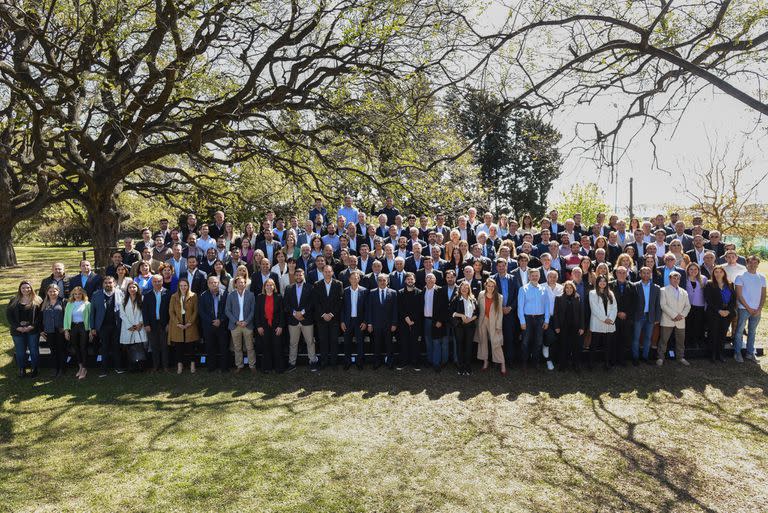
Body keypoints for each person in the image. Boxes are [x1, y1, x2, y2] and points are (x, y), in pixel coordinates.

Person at [7, 280, 43, 378]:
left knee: (34, 350)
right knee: (20, 351)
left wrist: (32, 326)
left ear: (31, 288)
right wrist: (17, 327)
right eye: (23, 288)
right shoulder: (14, 300)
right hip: (17, 331)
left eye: (28, 287)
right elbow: (9, 316)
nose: (26, 289)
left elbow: (40, 316)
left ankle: (34, 368)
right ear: (20, 289)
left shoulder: (38, 300)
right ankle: (22, 368)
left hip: (33, 330)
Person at [733, 255, 766, 363]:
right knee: (739, 331)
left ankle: (750, 353)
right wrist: (748, 308)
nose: (753, 265)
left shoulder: (762, 277)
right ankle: (737, 353)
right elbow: (739, 295)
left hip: (756, 310)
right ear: (746, 264)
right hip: (744, 308)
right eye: (750, 263)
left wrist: (759, 308)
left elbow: (763, 294)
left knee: (752, 331)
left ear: (757, 264)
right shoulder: (740, 276)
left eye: (755, 263)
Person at [91, 276, 124, 377]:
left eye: (110, 282)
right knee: (104, 348)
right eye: (105, 283)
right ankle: (104, 370)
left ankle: (118, 367)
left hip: (116, 325)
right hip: (102, 326)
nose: (108, 284)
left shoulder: (120, 293)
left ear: (114, 283)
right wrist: (92, 327)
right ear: (102, 284)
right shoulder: (96, 295)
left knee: (116, 347)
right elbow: (93, 312)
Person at [312, 265, 343, 369]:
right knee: (323, 340)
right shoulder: (317, 284)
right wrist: (323, 314)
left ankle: (334, 363)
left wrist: (331, 314)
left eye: (329, 271)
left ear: (332, 272)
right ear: (323, 273)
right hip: (321, 318)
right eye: (325, 271)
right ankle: (324, 362)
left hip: (334, 318)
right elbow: (316, 302)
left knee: (334, 340)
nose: (327, 273)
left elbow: (340, 301)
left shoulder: (338, 284)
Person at [703, 266, 737, 363]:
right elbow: (708, 299)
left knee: (722, 334)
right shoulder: (709, 284)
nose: (718, 274)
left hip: (727, 313)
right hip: (714, 313)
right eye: (716, 272)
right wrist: (719, 310)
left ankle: (720, 354)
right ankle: (712, 355)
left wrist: (729, 311)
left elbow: (733, 300)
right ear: (713, 274)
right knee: (713, 333)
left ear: (724, 273)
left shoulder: (730, 284)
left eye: (720, 272)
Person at [517, 268, 549, 370]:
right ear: (529, 277)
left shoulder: (544, 289)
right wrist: (522, 321)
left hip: (540, 318)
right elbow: (520, 307)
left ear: (539, 276)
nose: (535, 277)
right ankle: (524, 362)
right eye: (533, 276)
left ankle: (535, 362)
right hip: (527, 318)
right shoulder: (523, 289)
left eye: (536, 275)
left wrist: (547, 320)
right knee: (525, 341)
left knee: (538, 341)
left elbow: (547, 306)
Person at [658, 272, 691, 366]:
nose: (676, 280)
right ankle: (660, 357)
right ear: (670, 279)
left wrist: (682, 315)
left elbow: (687, 306)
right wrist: (674, 315)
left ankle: (680, 357)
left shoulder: (684, 292)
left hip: (680, 321)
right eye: (674, 278)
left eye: (678, 279)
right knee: (664, 340)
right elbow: (663, 305)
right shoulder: (663, 290)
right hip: (668, 319)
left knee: (681, 341)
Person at [366, 273, 398, 369]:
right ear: (377, 282)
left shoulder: (393, 292)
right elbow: (369, 310)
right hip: (376, 324)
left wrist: (394, 323)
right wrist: (370, 324)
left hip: (389, 324)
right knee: (377, 344)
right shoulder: (372, 293)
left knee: (389, 344)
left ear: (387, 281)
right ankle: (377, 362)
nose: (382, 282)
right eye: (380, 280)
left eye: (384, 280)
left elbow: (395, 309)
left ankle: (390, 362)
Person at [199, 275, 230, 372]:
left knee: (224, 347)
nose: (213, 284)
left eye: (215, 282)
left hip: (222, 325)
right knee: (210, 347)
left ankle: (224, 367)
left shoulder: (225, 294)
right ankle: (211, 367)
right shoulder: (203, 295)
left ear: (218, 283)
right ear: (208, 284)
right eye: (211, 282)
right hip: (209, 326)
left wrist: (220, 320)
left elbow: (228, 309)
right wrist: (211, 321)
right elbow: (201, 311)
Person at [225, 276, 256, 373]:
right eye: (239, 282)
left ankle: (252, 365)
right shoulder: (231, 295)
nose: (241, 284)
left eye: (243, 282)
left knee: (250, 347)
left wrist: (246, 321)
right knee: (237, 347)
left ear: (245, 284)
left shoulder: (251, 295)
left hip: (247, 324)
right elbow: (227, 310)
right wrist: (236, 321)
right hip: (235, 325)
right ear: (235, 284)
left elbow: (253, 310)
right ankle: (239, 365)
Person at [475, 278, 506, 375]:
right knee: (482, 341)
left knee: (495, 342)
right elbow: (478, 308)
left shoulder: (499, 297)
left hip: (494, 322)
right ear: (485, 285)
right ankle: (485, 361)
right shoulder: (481, 294)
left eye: (492, 286)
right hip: (482, 321)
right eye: (489, 285)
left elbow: (500, 313)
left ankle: (502, 363)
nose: (490, 288)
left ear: (495, 286)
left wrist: (498, 326)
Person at [632, 266, 662, 365]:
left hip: (651, 316)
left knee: (648, 338)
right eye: (643, 273)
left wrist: (657, 318)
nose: (646, 275)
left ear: (651, 274)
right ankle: (635, 358)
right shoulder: (635, 286)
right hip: (638, 316)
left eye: (648, 273)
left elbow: (658, 304)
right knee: (636, 338)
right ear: (640, 274)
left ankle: (645, 356)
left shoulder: (656, 288)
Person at [552, 281, 584, 372]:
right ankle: (563, 364)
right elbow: (556, 314)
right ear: (564, 289)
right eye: (567, 288)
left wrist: (582, 327)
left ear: (573, 289)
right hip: (563, 326)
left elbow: (581, 313)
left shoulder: (577, 298)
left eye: (571, 288)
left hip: (575, 326)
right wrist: (557, 326)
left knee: (575, 346)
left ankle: (576, 364)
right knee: (563, 346)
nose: (569, 289)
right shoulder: (559, 298)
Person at [141, 275, 171, 372]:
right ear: (152, 283)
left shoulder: (168, 293)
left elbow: (171, 311)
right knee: (154, 346)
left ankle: (166, 366)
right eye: (155, 281)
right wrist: (146, 324)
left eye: (159, 281)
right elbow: (144, 311)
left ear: (162, 281)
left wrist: (169, 323)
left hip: (164, 324)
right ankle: (156, 366)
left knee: (164, 346)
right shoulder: (147, 294)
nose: (157, 283)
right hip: (152, 325)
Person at [587, 275, 617, 370]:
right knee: (594, 344)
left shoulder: (610, 293)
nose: (602, 283)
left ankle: (606, 363)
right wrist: (604, 319)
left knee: (607, 345)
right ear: (597, 282)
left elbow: (615, 307)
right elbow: (594, 308)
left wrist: (611, 318)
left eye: (604, 281)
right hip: (598, 322)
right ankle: (591, 363)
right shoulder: (592, 293)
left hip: (609, 323)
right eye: (600, 281)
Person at [255, 278, 285, 373]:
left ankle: (278, 368)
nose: (269, 287)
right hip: (264, 326)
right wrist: (259, 326)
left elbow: (282, 313)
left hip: (276, 326)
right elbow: (257, 313)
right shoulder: (260, 297)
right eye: (267, 285)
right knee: (266, 346)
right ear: (264, 287)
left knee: (277, 346)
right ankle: (267, 368)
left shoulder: (279, 297)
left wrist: (280, 326)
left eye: (271, 285)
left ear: (274, 287)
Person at [64, 286, 93, 380]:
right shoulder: (69, 304)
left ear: (83, 294)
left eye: (79, 294)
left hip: (83, 327)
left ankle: (84, 368)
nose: (77, 296)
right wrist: (66, 330)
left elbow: (90, 318)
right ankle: (80, 366)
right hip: (73, 327)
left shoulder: (87, 304)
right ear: (73, 295)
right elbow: (66, 317)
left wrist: (90, 331)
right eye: (75, 294)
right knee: (76, 347)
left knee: (83, 347)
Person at [342, 270, 368, 370]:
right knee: (347, 342)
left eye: (356, 278)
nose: (354, 280)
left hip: (359, 321)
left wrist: (365, 321)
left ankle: (360, 362)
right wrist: (342, 321)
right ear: (349, 279)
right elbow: (342, 308)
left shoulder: (364, 291)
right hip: (347, 321)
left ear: (359, 279)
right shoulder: (345, 291)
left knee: (360, 342)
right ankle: (347, 362)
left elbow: (367, 308)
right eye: (352, 278)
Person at [120, 281, 149, 372]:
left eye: (134, 287)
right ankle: (131, 366)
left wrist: (140, 323)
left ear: (137, 289)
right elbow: (122, 314)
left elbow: (144, 312)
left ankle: (141, 366)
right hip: (127, 326)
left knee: (140, 346)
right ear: (127, 289)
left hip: (139, 326)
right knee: (129, 346)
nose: (132, 289)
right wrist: (129, 325)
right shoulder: (123, 300)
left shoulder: (142, 298)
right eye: (130, 287)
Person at [397, 272, 423, 370]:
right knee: (404, 342)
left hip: (415, 322)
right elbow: (400, 308)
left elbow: (420, 308)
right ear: (405, 281)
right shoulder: (400, 292)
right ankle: (403, 362)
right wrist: (406, 318)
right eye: (408, 279)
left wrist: (412, 320)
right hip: (403, 322)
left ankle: (415, 362)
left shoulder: (419, 292)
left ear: (414, 280)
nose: (410, 281)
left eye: (412, 279)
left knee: (415, 343)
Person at [423, 273, 448, 372]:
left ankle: (436, 363)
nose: (429, 279)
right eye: (427, 278)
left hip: (436, 321)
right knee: (428, 342)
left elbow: (445, 307)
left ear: (435, 280)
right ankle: (429, 360)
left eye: (431, 278)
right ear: (425, 280)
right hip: (426, 320)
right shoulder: (423, 290)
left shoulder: (440, 290)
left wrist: (440, 320)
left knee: (436, 342)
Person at [611, 266, 636, 367]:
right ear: (616, 274)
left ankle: (622, 360)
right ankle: (612, 360)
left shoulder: (632, 286)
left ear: (627, 274)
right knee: (613, 339)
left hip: (627, 318)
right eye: (619, 272)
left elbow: (635, 303)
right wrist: (617, 313)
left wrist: (626, 313)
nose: (621, 274)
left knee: (625, 339)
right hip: (614, 317)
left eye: (623, 272)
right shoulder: (610, 285)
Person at [451, 281, 478, 375]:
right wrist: (462, 315)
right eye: (462, 287)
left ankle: (468, 366)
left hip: (470, 326)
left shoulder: (473, 299)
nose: (464, 289)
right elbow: (451, 313)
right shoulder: (456, 299)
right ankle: (461, 367)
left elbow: (477, 313)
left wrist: (470, 320)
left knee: (469, 346)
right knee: (460, 346)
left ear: (469, 289)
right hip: (459, 326)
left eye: (466, 287)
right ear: (460, 288)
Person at [41, 284, 66, 377]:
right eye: (50, 291)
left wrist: (66, 329)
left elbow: (67, 316)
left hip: (60, 330)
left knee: (61, 350)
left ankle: (62, 368)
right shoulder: (44, 303)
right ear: (47, 292)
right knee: (53, 350)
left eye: (54, 291)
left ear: (58, 291)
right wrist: (41, 330)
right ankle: (55, 368)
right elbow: (39, 318)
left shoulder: (63, 301)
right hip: (49, 330)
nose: (52, 293)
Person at [683, 262, 707, 350]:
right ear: (688, 270)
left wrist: (706, 306)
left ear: (698, 270)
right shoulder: (684, 278)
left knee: (698, 325)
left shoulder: (703, 279)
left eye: (695, 269)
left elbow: (706, 294)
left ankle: (695, 342)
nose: (693, 271)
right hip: (687, 305)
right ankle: (687, 342)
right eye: (691, 269)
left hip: (699, 305)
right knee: (688, 324)